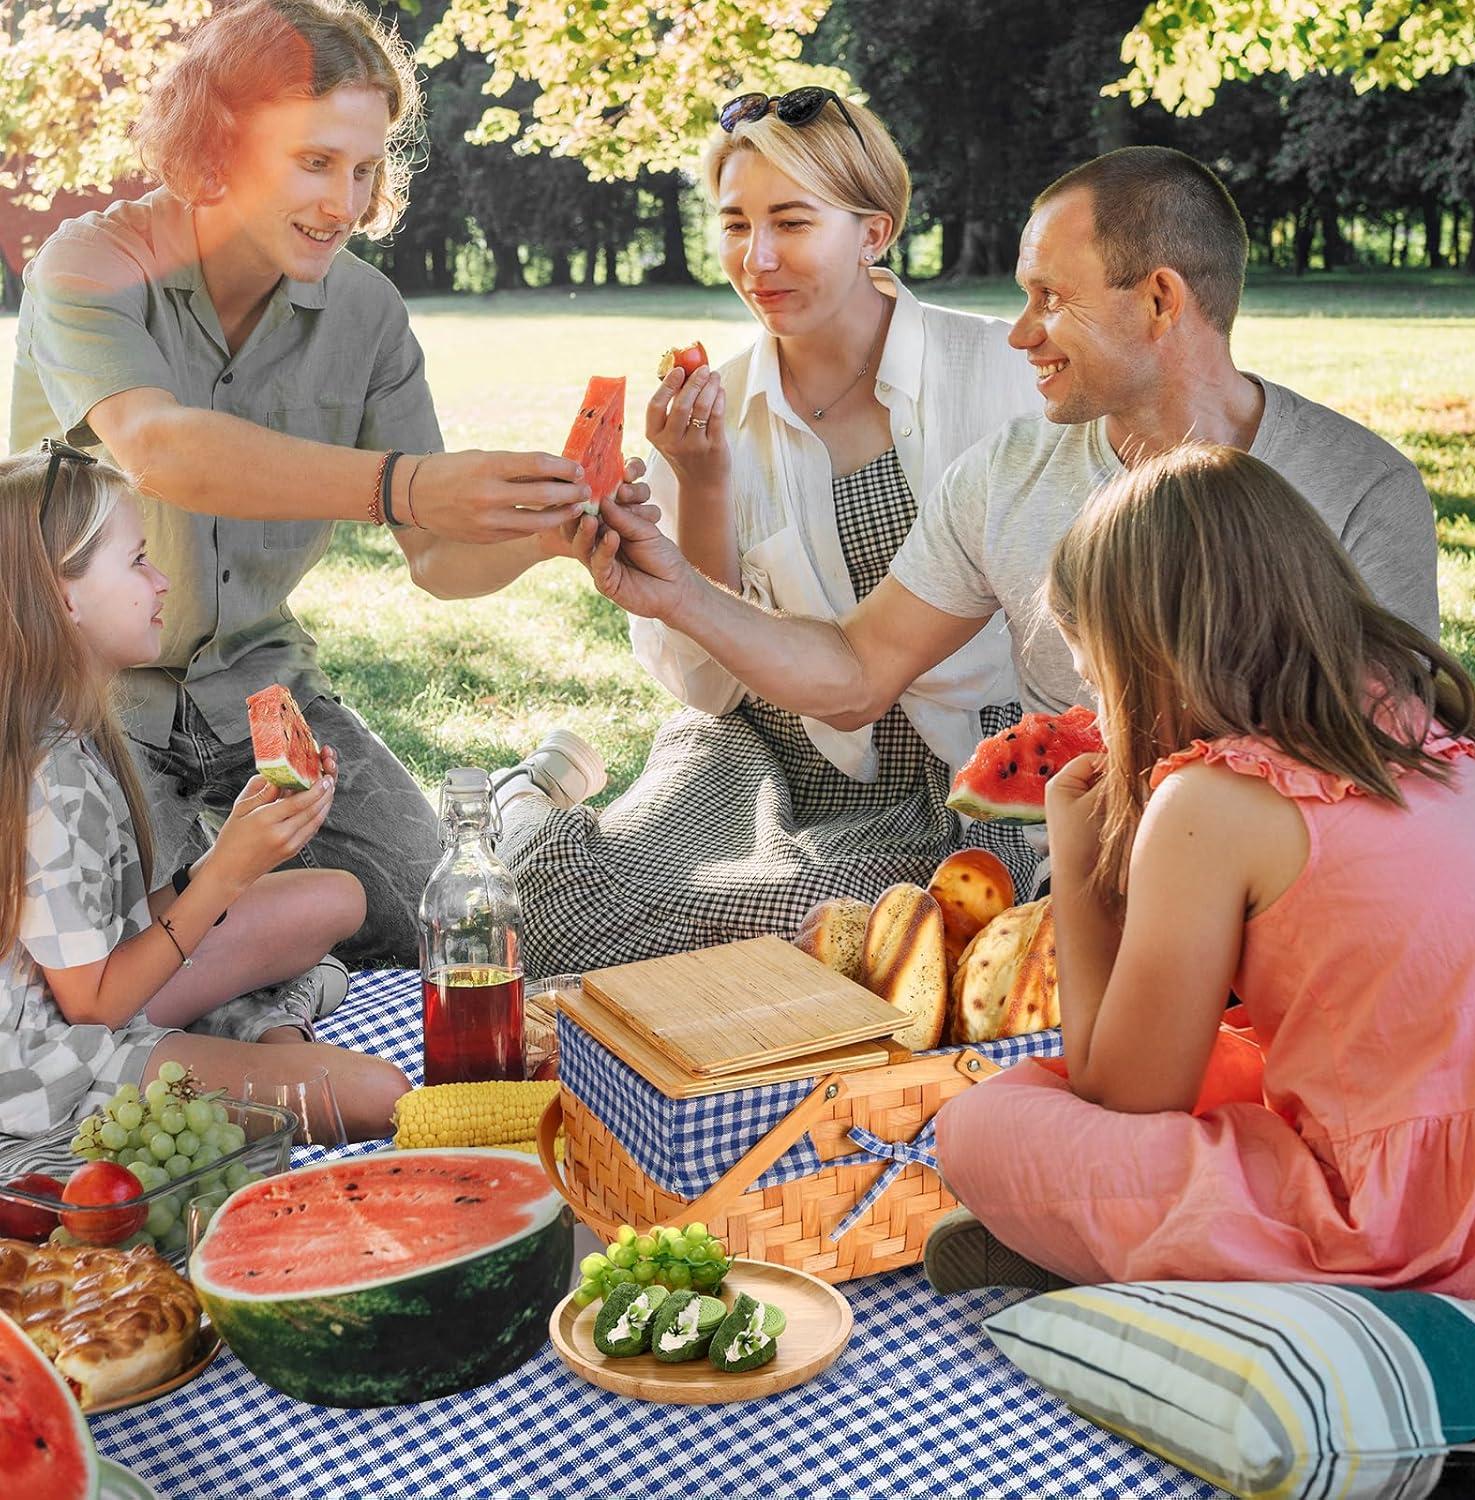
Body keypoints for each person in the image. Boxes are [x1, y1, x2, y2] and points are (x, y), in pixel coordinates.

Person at [7, 0, 611, 967]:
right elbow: (162, 445)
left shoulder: (367, 312)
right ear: (214, 146)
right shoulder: (90, 267)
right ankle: (237, 914)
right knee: (106, 966)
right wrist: (406, 484)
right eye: (314, 162)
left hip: (263, 687)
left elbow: (438, 561)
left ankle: (273, 899)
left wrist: (548, 533)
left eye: (366, 168)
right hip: (85, 695)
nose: (348, 203)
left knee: (432, 909)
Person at [572, 147, 1441, 798]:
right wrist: (676, 590)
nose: (1020, 333)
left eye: (1051, 299)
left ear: (1161, 301)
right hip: (1072, 874)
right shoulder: (1007, 475)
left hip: (1300, 884)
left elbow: (1398, 765)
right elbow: (853, 677)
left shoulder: (1362, 488)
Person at [925, 445, 1475, 1298]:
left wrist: (1077, 869)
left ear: (1145, 659)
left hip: (1400, 1228)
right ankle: (1147, 1242)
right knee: (1233, 1060)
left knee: (980, 1126)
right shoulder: (1435, 721)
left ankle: (1171, 1258)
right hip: (1468, 1172)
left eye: (1098, 676)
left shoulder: (1208, 801)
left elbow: (1126, 1099)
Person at [498, 90, 1040, 975]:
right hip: (764, 756)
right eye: (735, 224)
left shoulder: (1001, 375)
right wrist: (703, 488)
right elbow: (708, 689)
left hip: (963, 778)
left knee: (911, 938)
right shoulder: (710, 415)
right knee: (549, 916)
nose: (757, 260)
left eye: (791, 223)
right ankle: (526, 802)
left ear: (873, 232)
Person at [0, 449, 410, 1143]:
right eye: (136, 562)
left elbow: (116, 934)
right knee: (383, 1095)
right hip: (49, 1065)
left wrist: (233, 854)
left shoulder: (78, 727)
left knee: (340, 898)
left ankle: (248, 1028)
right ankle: (254, 1026)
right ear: (63, 594)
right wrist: (224, 874)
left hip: (98, 987)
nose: (162, 583)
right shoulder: (54, 778)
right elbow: (95, 1007)